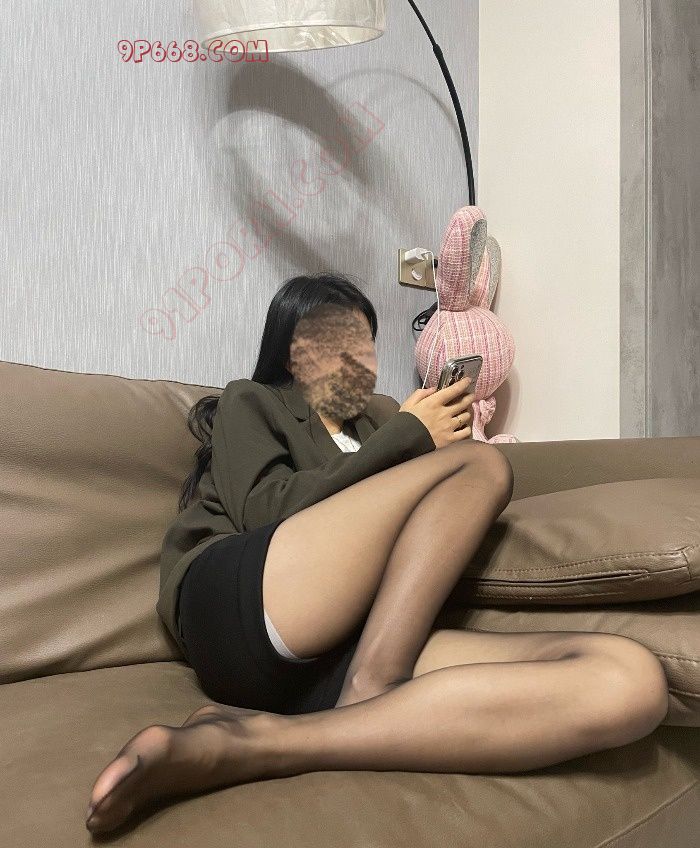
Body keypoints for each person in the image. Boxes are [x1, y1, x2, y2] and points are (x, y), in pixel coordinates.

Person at [85, 272, 669, 834]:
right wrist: (411, 435)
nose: (358, 359)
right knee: (481, 466)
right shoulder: (255, 401)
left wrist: (417, 443)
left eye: (365, 343)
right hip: (238, 603)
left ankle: (260, 741)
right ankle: (370, 690)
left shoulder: (378, 425)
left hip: (343, 649)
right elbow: (264, 510)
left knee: (628, 681)